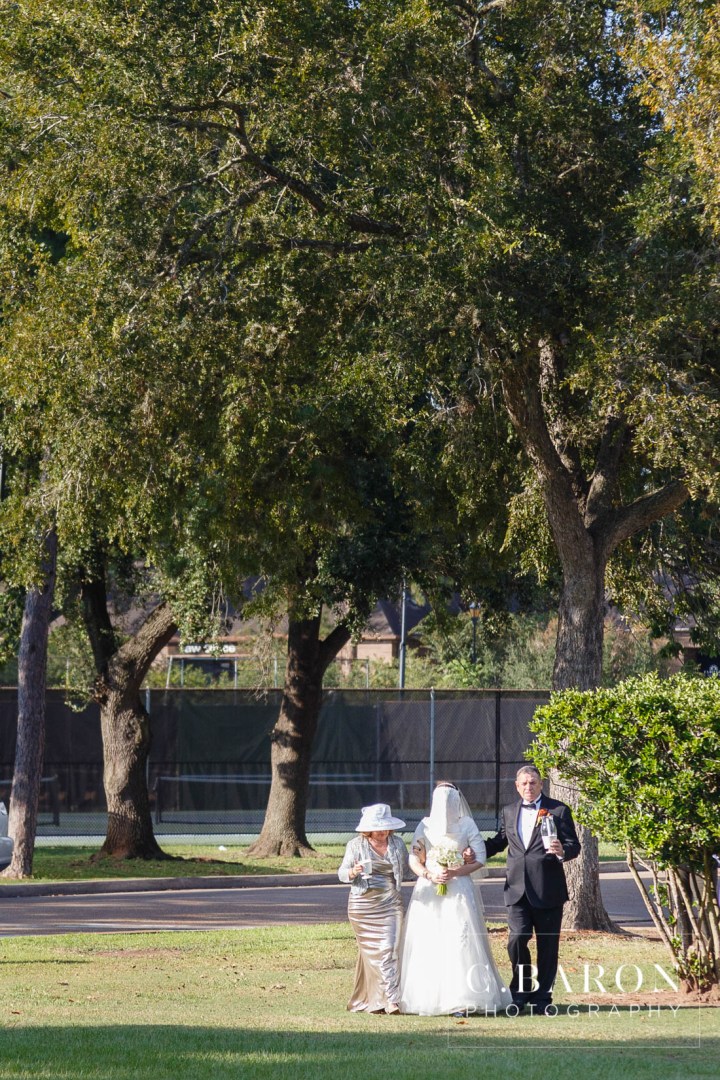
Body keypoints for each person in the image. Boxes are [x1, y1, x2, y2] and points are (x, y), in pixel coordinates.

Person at [398, 781, 512, 1016]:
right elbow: (414, 857)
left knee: (460, 938)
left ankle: (463, 997)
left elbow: (479, 857)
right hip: (430, 888)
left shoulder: (467, 824)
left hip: (458, 889)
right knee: (430, 938)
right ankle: (426, 994)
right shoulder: (425, 826)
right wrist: (429, 874)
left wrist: (456, 871)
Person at [484, 764, 581, 1015]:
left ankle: (542, 997)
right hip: (516, 890)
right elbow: (500, 840)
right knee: (516, 940)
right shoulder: (509, 811)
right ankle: (520, 991)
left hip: (548, 890)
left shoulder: (558, 810)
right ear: (517, 787)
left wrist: (563, 851)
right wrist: (473, 850)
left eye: (533, 782)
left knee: (547, 946)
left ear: (541, 784)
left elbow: (574, 845)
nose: (528, 787)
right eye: (524, 783)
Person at [338, 802, 409, 1014]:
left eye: (386, 827)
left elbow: (409, 870)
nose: (383, 831)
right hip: (362, 905)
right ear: (368, 828)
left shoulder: (397, 844)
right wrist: (353, 871)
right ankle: (377, 1001)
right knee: (371, 955)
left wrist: (428, 863)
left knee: (389, 949)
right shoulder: (355, 845)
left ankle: (392, 1000)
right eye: (379, 828)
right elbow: (341, 873)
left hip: (390, 903)